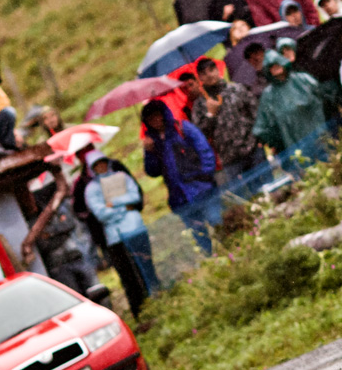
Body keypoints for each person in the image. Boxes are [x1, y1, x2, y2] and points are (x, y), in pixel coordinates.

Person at [84, 151, 160, 314]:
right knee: (129, 274)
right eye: (97, 165)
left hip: (135, 227)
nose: (101, 167)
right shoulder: (92, 189)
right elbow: (101, 213)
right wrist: (124, 208)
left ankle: (157, 297)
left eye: (102, 163)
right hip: (115, 236)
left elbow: (135, 196)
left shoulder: (121, 177)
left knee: (146, 263)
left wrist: (116, 204)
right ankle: (140, 309)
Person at [141, 100, 219, 255]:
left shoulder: (182, 128)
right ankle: (213, 261)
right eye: (150, 119)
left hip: (202, 189)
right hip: (181, 198)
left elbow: (205, 151)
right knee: (199, 235)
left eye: (157, 116)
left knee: (217, 223)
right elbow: (153, 171)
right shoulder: (152, 143)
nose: (155, 121)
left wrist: (204, 176)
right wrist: (149, 153)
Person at [23, 169, 99, 298]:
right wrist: (56, 234)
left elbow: (68, 225)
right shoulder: (30, 222)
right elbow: (43, 244)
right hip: (58, 267)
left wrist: (51, 234)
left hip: (77, 257)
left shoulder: (52, 209)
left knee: (96, 291)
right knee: (75, 298)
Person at [189, 57, 265, 185]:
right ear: (200, 78)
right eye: (204, 73)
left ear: (217, 70)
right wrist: (210, 114)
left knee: (270, 189)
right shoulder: (200, 105)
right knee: (247, 200)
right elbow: (201, 135)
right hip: (230, 159)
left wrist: (259, 137)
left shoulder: (237, 89)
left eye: (211, 70)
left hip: (253, 149)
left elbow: (256, 113)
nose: (209, 75)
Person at [251, 50, 329, 163]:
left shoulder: (302, 80)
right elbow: (261, 128)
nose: (276, 69)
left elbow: (323, 98)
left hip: (319, 136)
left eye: (277, 64)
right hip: (294, 147)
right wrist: (279, 142)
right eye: (272, 67)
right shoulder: (268, 95)